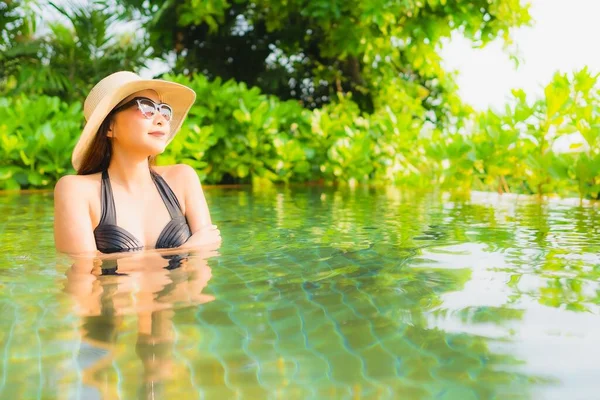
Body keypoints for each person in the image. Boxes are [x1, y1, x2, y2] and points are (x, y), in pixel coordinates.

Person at [53, 71, 221, 256]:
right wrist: (187, 248)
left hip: (181, 287)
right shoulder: (77, 191)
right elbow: (82, 274)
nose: (161, 120)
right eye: (146, 108)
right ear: (110, 126)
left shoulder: (183, 178)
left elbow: (203, 266)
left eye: (164, 110)